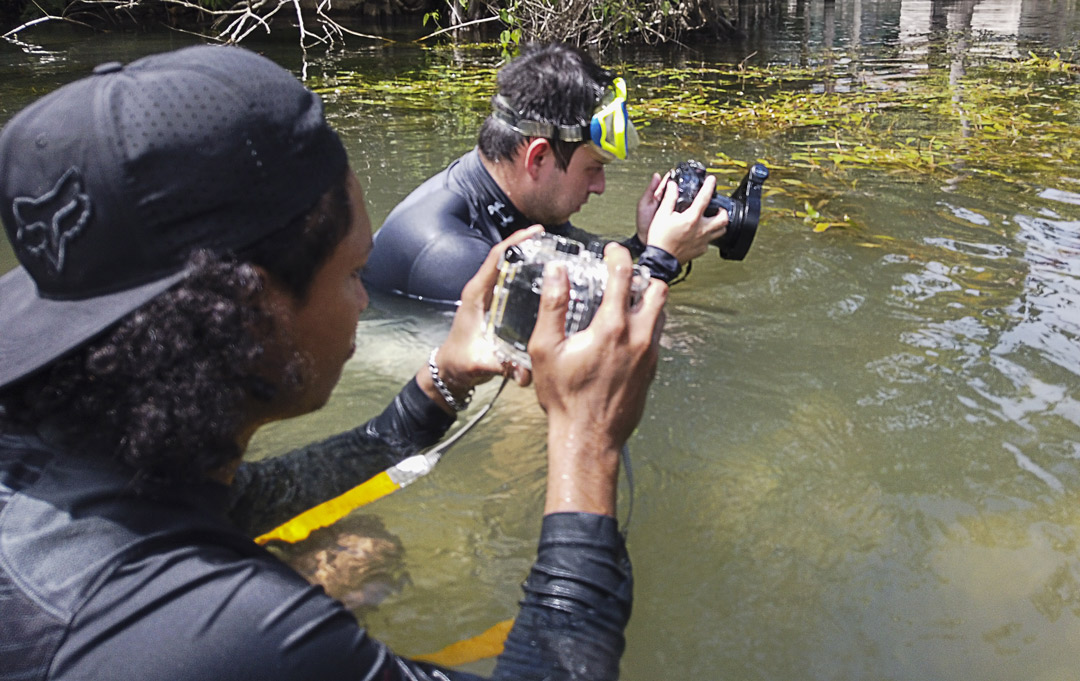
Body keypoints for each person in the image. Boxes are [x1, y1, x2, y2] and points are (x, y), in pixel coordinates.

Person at [0, 44, 672, 680]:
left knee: (358, 550)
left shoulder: (67, 464)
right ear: (251, 306)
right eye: (354, 270)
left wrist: (443, 378)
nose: (363, 296)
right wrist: (587, 445)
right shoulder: (229, 632)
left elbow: (257, 498)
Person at [362, 41, 729, 307]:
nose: (600, 187)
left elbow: (584, 270)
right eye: (593, 168)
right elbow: (573, 353)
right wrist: (662, 261)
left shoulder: (517, 196)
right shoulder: (448, 252)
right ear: (537, 158)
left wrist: (643, 244)